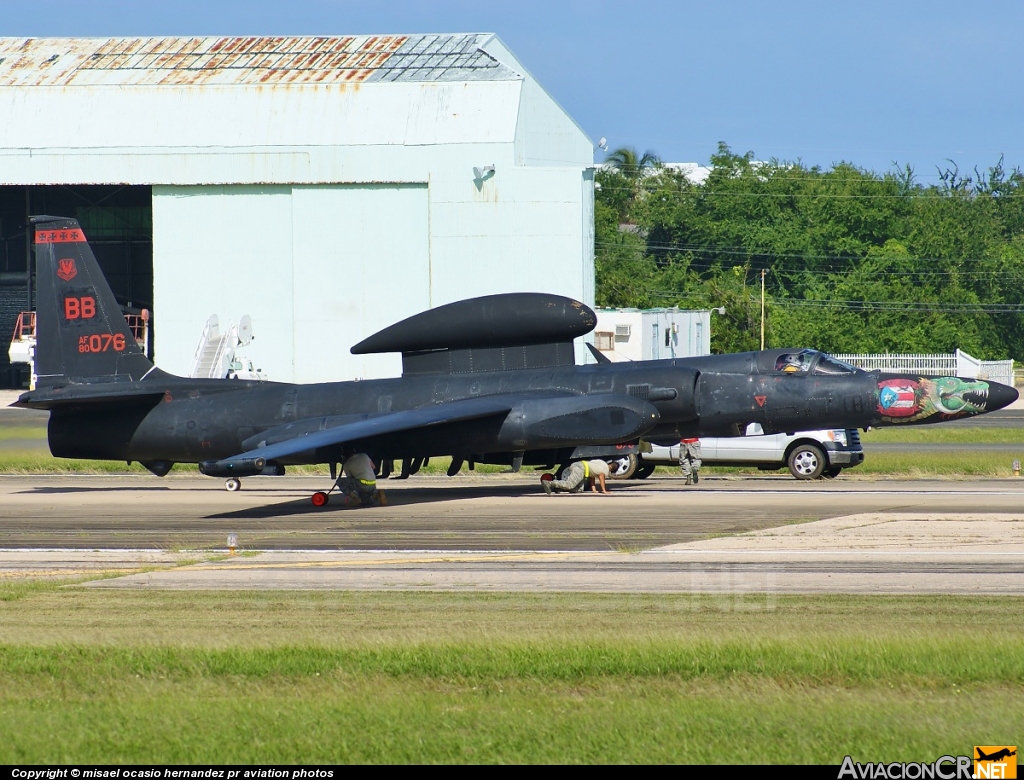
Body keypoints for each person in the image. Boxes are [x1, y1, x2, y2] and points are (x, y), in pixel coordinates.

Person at [542, 459, 618, 495]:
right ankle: (550, 483)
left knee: (579, 489)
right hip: (581, 468)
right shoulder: (606, 470)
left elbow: (592, 477)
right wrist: (604, 491)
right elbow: (601, 477)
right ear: (612, 469)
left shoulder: (601, 463)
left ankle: (558, 487)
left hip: (580, 466)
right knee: (570, 484)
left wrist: (594, 490)